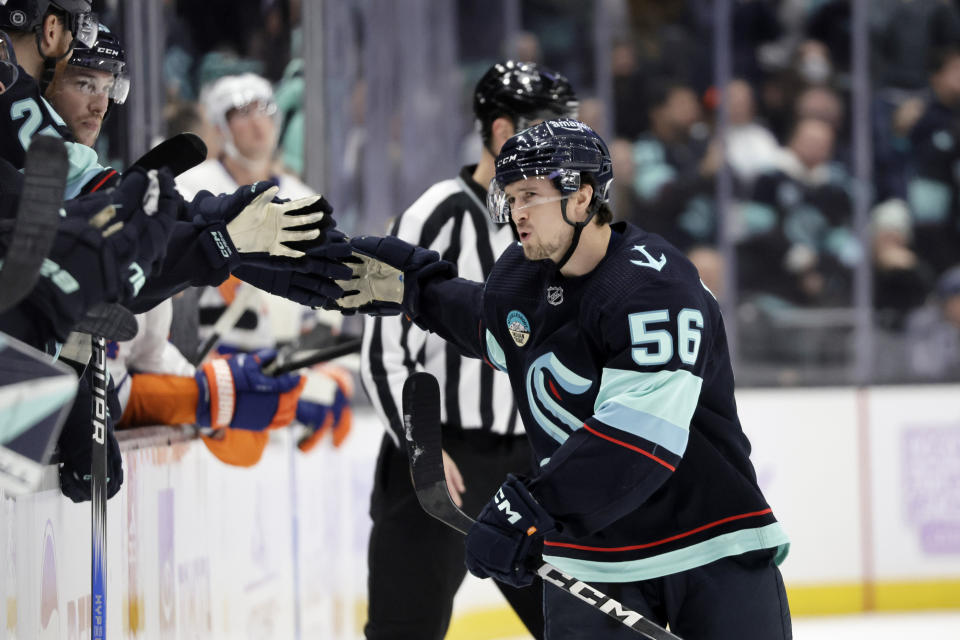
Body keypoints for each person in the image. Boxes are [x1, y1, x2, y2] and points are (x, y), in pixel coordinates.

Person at [332, 119, 792, 639]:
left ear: (582, 198)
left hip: (707, 541)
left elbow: (638, 441)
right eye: (510, 198)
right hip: (591, 558)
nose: (516, 215)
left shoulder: (654, 286)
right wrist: (416, 288)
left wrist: (532, 508)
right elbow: (484, 322)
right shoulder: (520, 279)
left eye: (530, 195)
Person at [360, 60, 577, 640]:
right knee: (405, 629)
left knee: (576, 625)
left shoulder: (558, 223)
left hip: (531, 466)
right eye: (548, 127)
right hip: (440, 460)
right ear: (504, 132)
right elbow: (383, 350)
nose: (566, 145)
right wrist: (421, 451)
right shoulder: (436, 214)